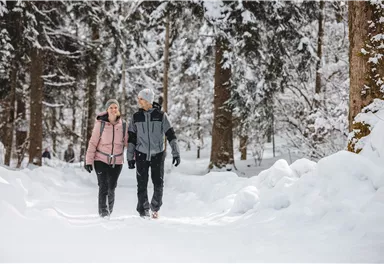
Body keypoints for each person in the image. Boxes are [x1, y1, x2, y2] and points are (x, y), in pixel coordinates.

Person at [127, 88, 180, 219]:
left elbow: (171, 135)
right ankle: (143, 210)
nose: (138, 101)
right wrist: (130, 157)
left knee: (158, 183)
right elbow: (132, 138)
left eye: (141, 99)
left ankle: (155, 207)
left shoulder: (161, 115)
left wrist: (176, 152)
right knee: (142, 183)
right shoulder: (136, 117)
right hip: (141, 154)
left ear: (148, 100)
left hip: (158, 154)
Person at [84, 99, 128, 218]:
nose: (114, 110)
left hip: (117, 161)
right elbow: (93, 142)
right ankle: (103, 213)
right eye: (111, 108)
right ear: (107, 110)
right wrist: (88, 161)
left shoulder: (123, 125)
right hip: (101, 159)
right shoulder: (101, 124)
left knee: (112, 187)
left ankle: (109, 210)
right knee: (103, 185)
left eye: (115, 107)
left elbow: (128, 143)